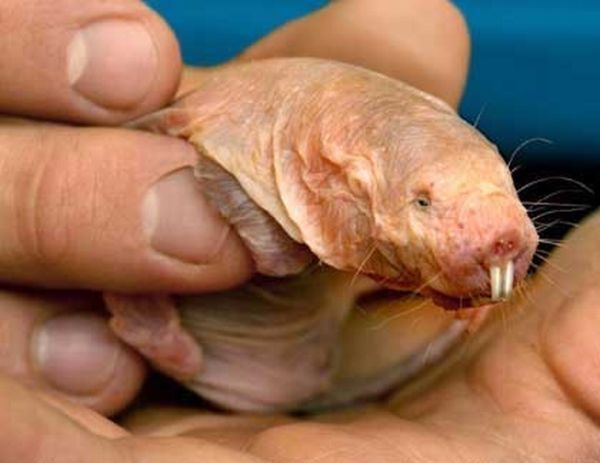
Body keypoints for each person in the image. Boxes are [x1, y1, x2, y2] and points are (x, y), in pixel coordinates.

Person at [1, 0, 598, 461]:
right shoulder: (245, 131)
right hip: (190, 355)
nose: (508, 233)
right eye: (423, 203)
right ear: (339, 174)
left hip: (327, 352)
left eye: (502, 189)